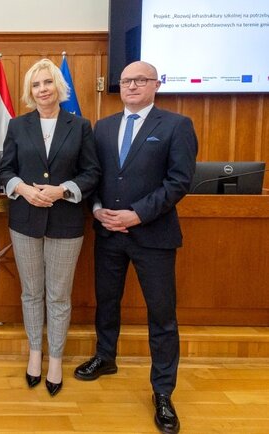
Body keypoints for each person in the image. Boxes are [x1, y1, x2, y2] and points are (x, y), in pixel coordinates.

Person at [73, 61, 197, 434]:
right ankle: (105, 356)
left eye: (140, 80)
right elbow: (93, 175)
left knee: (161, 315)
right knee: (107, 301)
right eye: (126, 80)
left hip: (153, 236)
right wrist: (96, 208)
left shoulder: (176, 126)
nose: (131, 86)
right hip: (109, 233)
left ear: (156, 85)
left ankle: (163, 391)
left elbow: (179, 182)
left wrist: (137, 214)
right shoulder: (103, 127)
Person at [0, 58, 100, 397]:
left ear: (59, 86)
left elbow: (91, 173)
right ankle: (34, 353)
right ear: (30, 91)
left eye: (47, 82)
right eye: (36, 84)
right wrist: (24, 189)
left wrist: (63, 190)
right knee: (31, 292)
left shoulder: (80, 125)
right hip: (24, 221)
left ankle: (55, 359)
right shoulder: (17, 125)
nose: (43, 89)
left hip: (66, 222)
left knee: (58, 295)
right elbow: (5, 170)